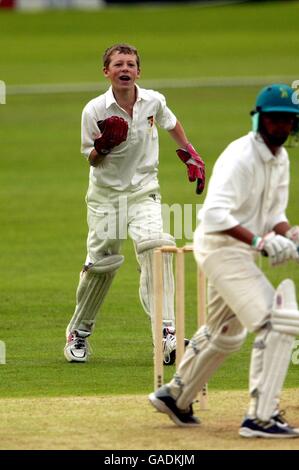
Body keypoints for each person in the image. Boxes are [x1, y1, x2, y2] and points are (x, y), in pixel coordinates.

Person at [149, 83, 299, 438]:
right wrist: (262, 242)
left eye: (289, 121)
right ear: (259, 120)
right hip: (220, 248)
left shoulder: (281, 160)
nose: (281, 127)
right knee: (275, 323)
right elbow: (216, 214)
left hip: (241, 252)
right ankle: (260, 417)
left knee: (225, 334)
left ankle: (175, 396)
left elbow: (273, 212)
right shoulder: (241, 156)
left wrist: (289, 233)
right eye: (275, 120)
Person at [64, 43, 205, 365]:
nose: (124, 69)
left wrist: (190, 153)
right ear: (107, 72)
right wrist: (105, 145)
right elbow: (93, 160)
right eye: (118, 65)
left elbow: (171, 123)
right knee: (103, 265)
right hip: (107, 198)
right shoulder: (94, 110)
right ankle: (79, 332)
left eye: (130, 64)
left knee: (158, 250)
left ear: (138, 71)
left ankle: (167, 335)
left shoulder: (153, 101)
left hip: (144, 190)